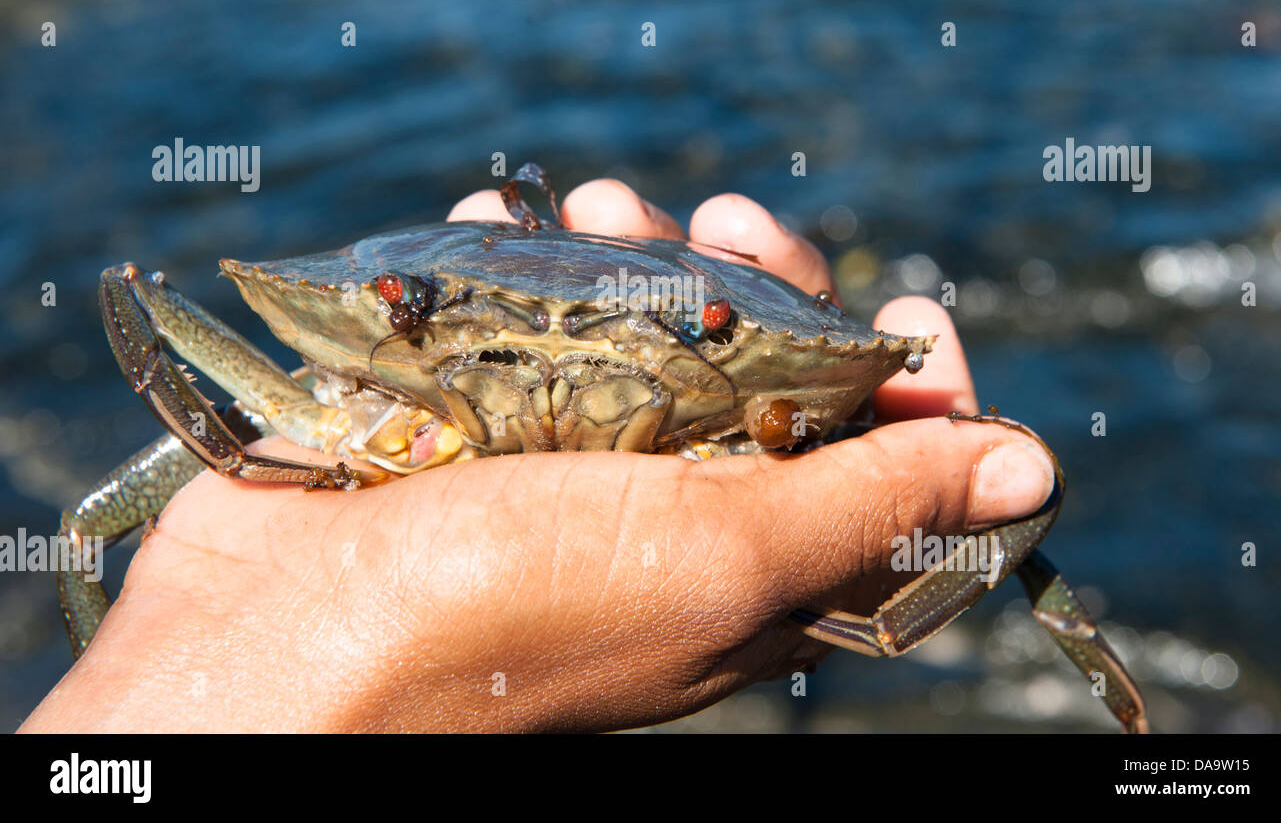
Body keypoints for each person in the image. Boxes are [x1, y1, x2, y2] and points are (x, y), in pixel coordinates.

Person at [20, 180, 1055, 733]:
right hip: (378, 407)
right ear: (384, 302)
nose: (556, 360)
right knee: (83, 529)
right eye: (407, 305)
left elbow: (1011, 500)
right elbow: (133, 302)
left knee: (994, 469)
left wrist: (881, 621)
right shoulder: (320, 401)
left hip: (727, 419)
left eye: (690, 325)